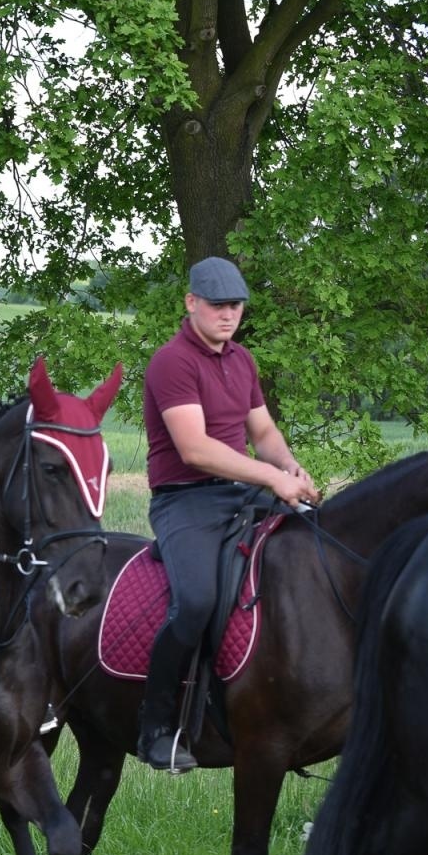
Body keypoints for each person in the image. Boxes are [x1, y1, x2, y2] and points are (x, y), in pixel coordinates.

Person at [138, 256, 319, 773]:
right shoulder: (172, 362)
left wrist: (290, 467)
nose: (228, 314)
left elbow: (263, 433)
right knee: (196, 600)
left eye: (236, 305)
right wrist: (271, 479)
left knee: (317, 550)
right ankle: (155, 728)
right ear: (191, 302)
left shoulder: (242, 360)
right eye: (217, 305)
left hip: (240, 494)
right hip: (185, 499)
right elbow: (194, 449)